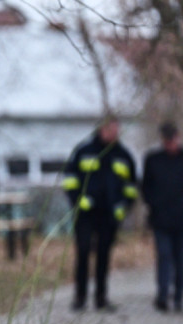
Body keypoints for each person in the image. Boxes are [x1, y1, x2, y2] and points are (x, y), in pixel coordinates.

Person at [62, 117, 139, 311]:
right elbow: (70, 179)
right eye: (110, 130)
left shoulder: (123, 154)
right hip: (86, 214)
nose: (114, 134)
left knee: (104, 256)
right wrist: (78, 200)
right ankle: (80, 297)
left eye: (116, 130)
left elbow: (131, 186)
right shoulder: (84, 151)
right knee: (83, 253)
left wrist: (124, 206)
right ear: (101, 130)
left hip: (109, 215)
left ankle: (101, 298)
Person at [142, 121, 183, 312]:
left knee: (180, 258)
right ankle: (162, 295)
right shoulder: (153, 159)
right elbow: (145, 188)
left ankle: (179, 296)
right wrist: (154, 204)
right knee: (164, 256)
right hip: (161, 219)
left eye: (172, 140)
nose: (170, 144)